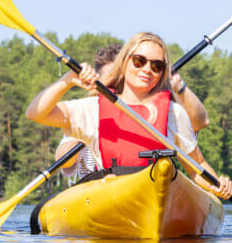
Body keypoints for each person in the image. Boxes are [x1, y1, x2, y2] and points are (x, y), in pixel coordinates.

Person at [26, 32, 232, 200]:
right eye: (139, 61)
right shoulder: (92, 108)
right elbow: (36, 113)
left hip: (157, 192)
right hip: (110, 194)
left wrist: (218, 186)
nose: (147, 69)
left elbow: (197, 167)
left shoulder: (174, 113)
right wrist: (69, 79)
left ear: (163, 73)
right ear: (124, 62)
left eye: (157, 65)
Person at [52, 43, 210, 181]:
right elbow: (63, 161)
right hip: (97, 189)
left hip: (149, 183)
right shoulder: (89, 111)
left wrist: (179, 86)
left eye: (120, 78)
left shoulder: (154, 109)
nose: (116, 85)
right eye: (111, 80)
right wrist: (84, 135)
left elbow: (199, 123)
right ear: (97, 82)